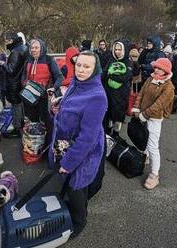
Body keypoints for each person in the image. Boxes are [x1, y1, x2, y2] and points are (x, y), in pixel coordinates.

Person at [48, 51, 107, 238]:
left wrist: (69, 163)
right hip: (65, 143)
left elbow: (87, 138)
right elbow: (68, 108)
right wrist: (57, 109)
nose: (81, 70)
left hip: (82, 150)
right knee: (68, 181)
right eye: (79, 65)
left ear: (95, 68)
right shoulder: (76, 83)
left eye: (86, 66)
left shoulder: (97, 96)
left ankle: (79, 221)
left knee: (77, 186)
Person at [132, 58, 175, 190]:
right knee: (144, 139)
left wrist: (144, 115)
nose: (156, 70)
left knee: (152, 146)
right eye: (156, 67)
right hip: (142, 114)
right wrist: (136, 108)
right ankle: (146, 157)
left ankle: (154, 174)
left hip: (154, 119)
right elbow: (141, 94)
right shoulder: (151, 79)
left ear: (166, 71)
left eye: (160, 68)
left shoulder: (169, 87)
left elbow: (159, 105)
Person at [22, 38, 63, 128]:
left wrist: (53, 88)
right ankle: (35, 139)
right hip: (30, 95)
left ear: (42, 48)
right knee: (32, 120)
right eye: (32, 48)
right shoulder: (28, 60)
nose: (33, 50)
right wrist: (24, 84)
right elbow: (24, 75)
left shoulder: (49, 60)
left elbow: (60, 77)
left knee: (46, 121)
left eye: (36, 47)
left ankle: (47, 140)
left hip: (44, 96)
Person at [0, 32, 28, 138]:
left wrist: (2, 63)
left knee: (16, 106)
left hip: (15, 83)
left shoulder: (15, 51)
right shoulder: (23, 48)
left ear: (14, 40)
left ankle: (17, 128)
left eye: (9, 40)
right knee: (20, 106)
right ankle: (20, 127)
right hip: (21, 82)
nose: (7, 43)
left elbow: (11, 70)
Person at [103, 39, 132, 136]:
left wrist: (111, 75)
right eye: (116, 49)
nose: (117, 52)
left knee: (118, 115)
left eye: (119, 50)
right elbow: (104, 74)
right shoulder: (111, 60)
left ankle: (116, 135)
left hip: (121, 94)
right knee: (108, 114)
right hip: (109, 93)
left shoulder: (128, 62)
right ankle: (107, 134)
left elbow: (125, 77)